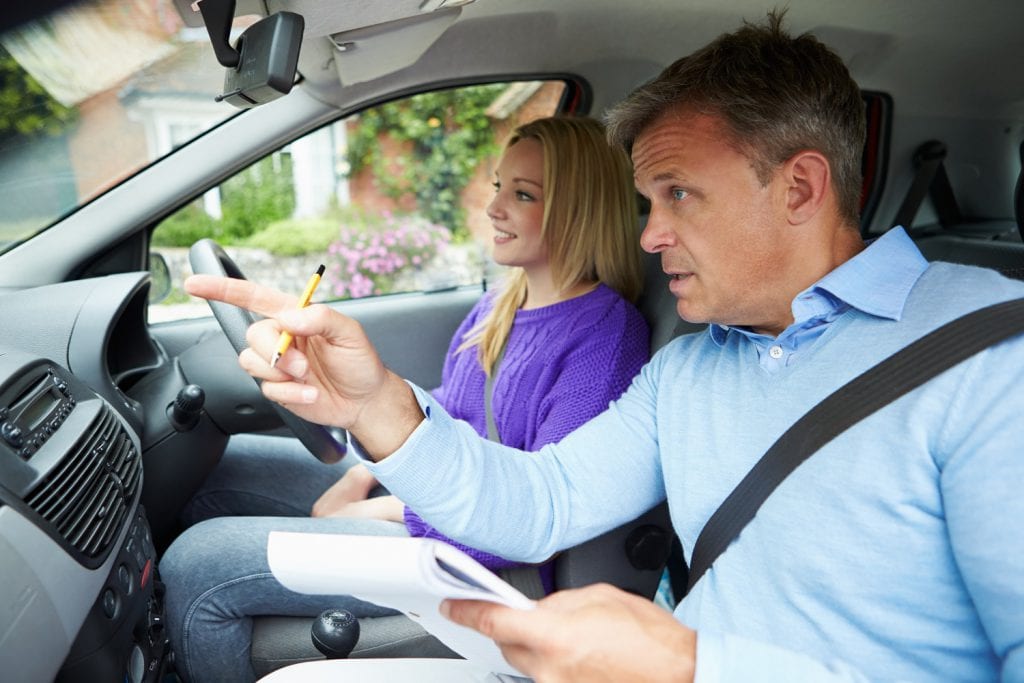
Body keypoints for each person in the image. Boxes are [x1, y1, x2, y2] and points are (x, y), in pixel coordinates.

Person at [183, 11, 1024, 683]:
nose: (650, 235)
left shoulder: (994, 357)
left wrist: (696, 667)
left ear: (800, 187)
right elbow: (541, 498)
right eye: (645, 200)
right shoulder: (692, 367)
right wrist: (378, 408)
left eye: (678, 195)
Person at [159, 115, 651, 683]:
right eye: (498, 186)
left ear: (580, 209)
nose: (494, 208)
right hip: (430, 495)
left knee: (197, 565)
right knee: (221, 469)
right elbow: (450, 406)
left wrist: (376, 507)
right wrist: (363, 469)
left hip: (477, 557)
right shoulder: (502, 303)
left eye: (523, 195)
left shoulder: (606, 338)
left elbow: (536, 512)